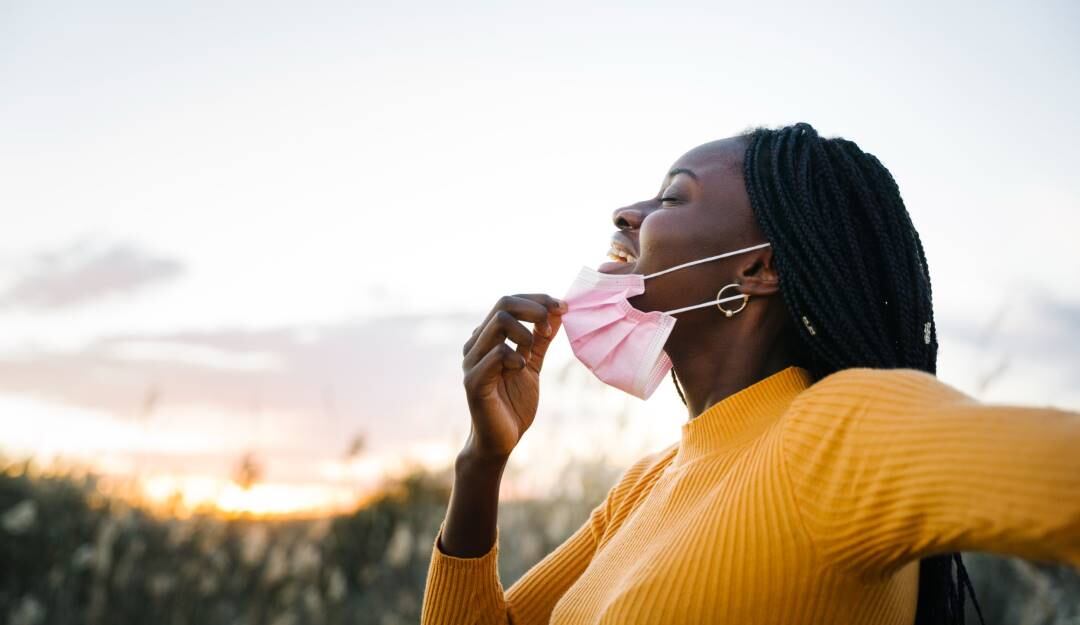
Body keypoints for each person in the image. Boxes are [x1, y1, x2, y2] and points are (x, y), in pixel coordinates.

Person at [419, 122, 1080, 624]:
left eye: (672, 197)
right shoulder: (644, 484)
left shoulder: (833, 434)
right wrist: (482, 461)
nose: (626, 212)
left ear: (758, 269)